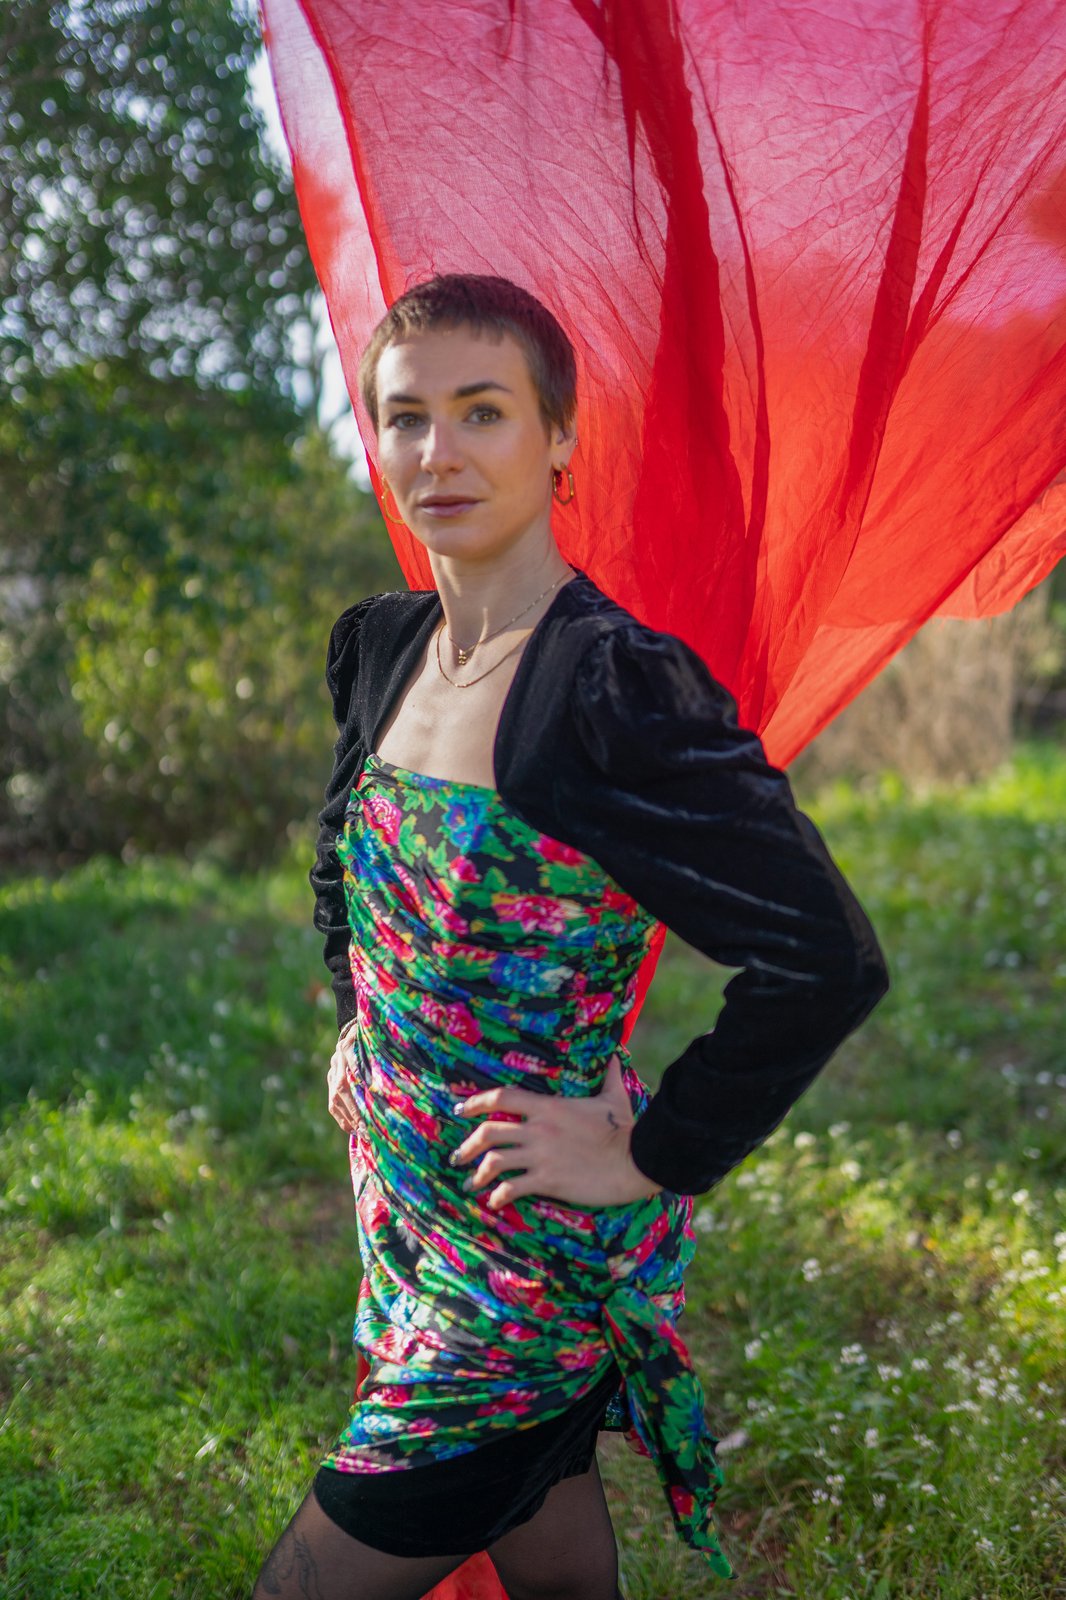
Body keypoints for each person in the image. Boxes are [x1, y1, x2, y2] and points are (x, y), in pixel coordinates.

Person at [250, 274, 888, 1600]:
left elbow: (822, 959)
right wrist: (360, 1027)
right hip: (407, 1203)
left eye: (482, 411)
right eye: (407, 417)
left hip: (522, 1250)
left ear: (558, 438)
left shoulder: (610, 684)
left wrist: (651, 1153)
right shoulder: (382, 646)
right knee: (550, 1544)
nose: (439, 450)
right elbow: (344, 859)